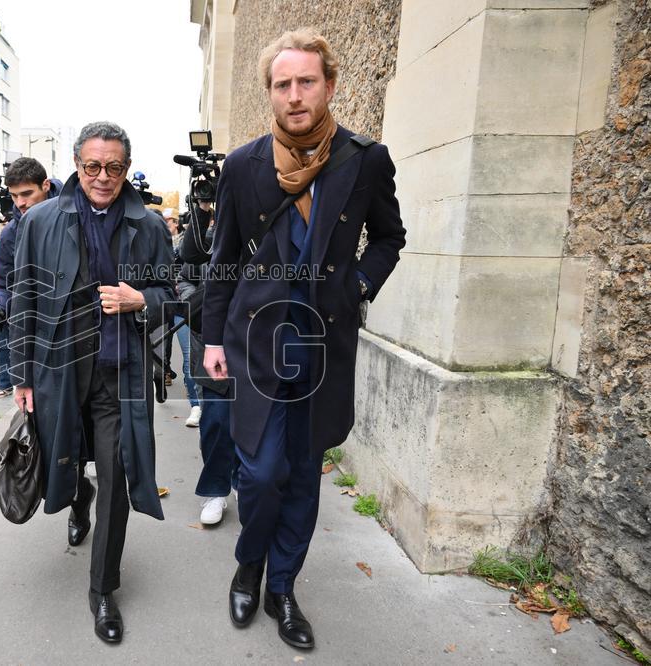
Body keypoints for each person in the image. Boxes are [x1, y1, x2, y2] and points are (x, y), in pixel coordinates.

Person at [201, 29, 406, 649]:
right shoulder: (243, 166)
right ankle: (249, 564)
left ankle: (282, 588)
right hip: (256, 346)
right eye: (283, 84)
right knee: (261, 475)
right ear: (271, 92)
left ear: (330, 85)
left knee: (305, 477)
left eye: (306, 82)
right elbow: (224, 261)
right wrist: (211, 338)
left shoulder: (364, 159)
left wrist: (358, 287)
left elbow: (391, 237)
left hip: (323, 352)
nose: (295, 95)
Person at [9, 122, 173, 644]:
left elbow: (177, 291)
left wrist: (140, 299)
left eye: (115, 167)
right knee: (67, 458)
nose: (103, 177)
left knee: (118, 473)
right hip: (58, 372)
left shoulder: (148, 225)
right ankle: (78, 499)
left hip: (118, 375)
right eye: (93, 166)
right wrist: (21, 374)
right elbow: (23, 301)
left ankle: (102, 588)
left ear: (127, 168)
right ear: (77, 166)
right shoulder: (39, 221)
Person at [177, 202, 239, 525]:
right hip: (211, 340)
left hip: (253, 342)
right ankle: (216, 490)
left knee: (249, 419)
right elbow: (184, 273)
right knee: (214, 419)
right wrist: (196, 303)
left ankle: (242, 480)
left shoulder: (260, 235)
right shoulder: (205, 237)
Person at [0, 158, 54, 399]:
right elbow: (2, 282)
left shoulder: (75, 214)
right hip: (34, 335)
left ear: (45, 185)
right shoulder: (11, 232)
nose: (20, 203)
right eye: (14, 196)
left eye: (27, 193)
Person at [161, 207, 201, 427]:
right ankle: (196, 405)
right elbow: (182, 278)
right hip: (183, 309)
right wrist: (193, 302)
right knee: (189, 357)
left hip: (216, 312)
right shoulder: (182, 246)